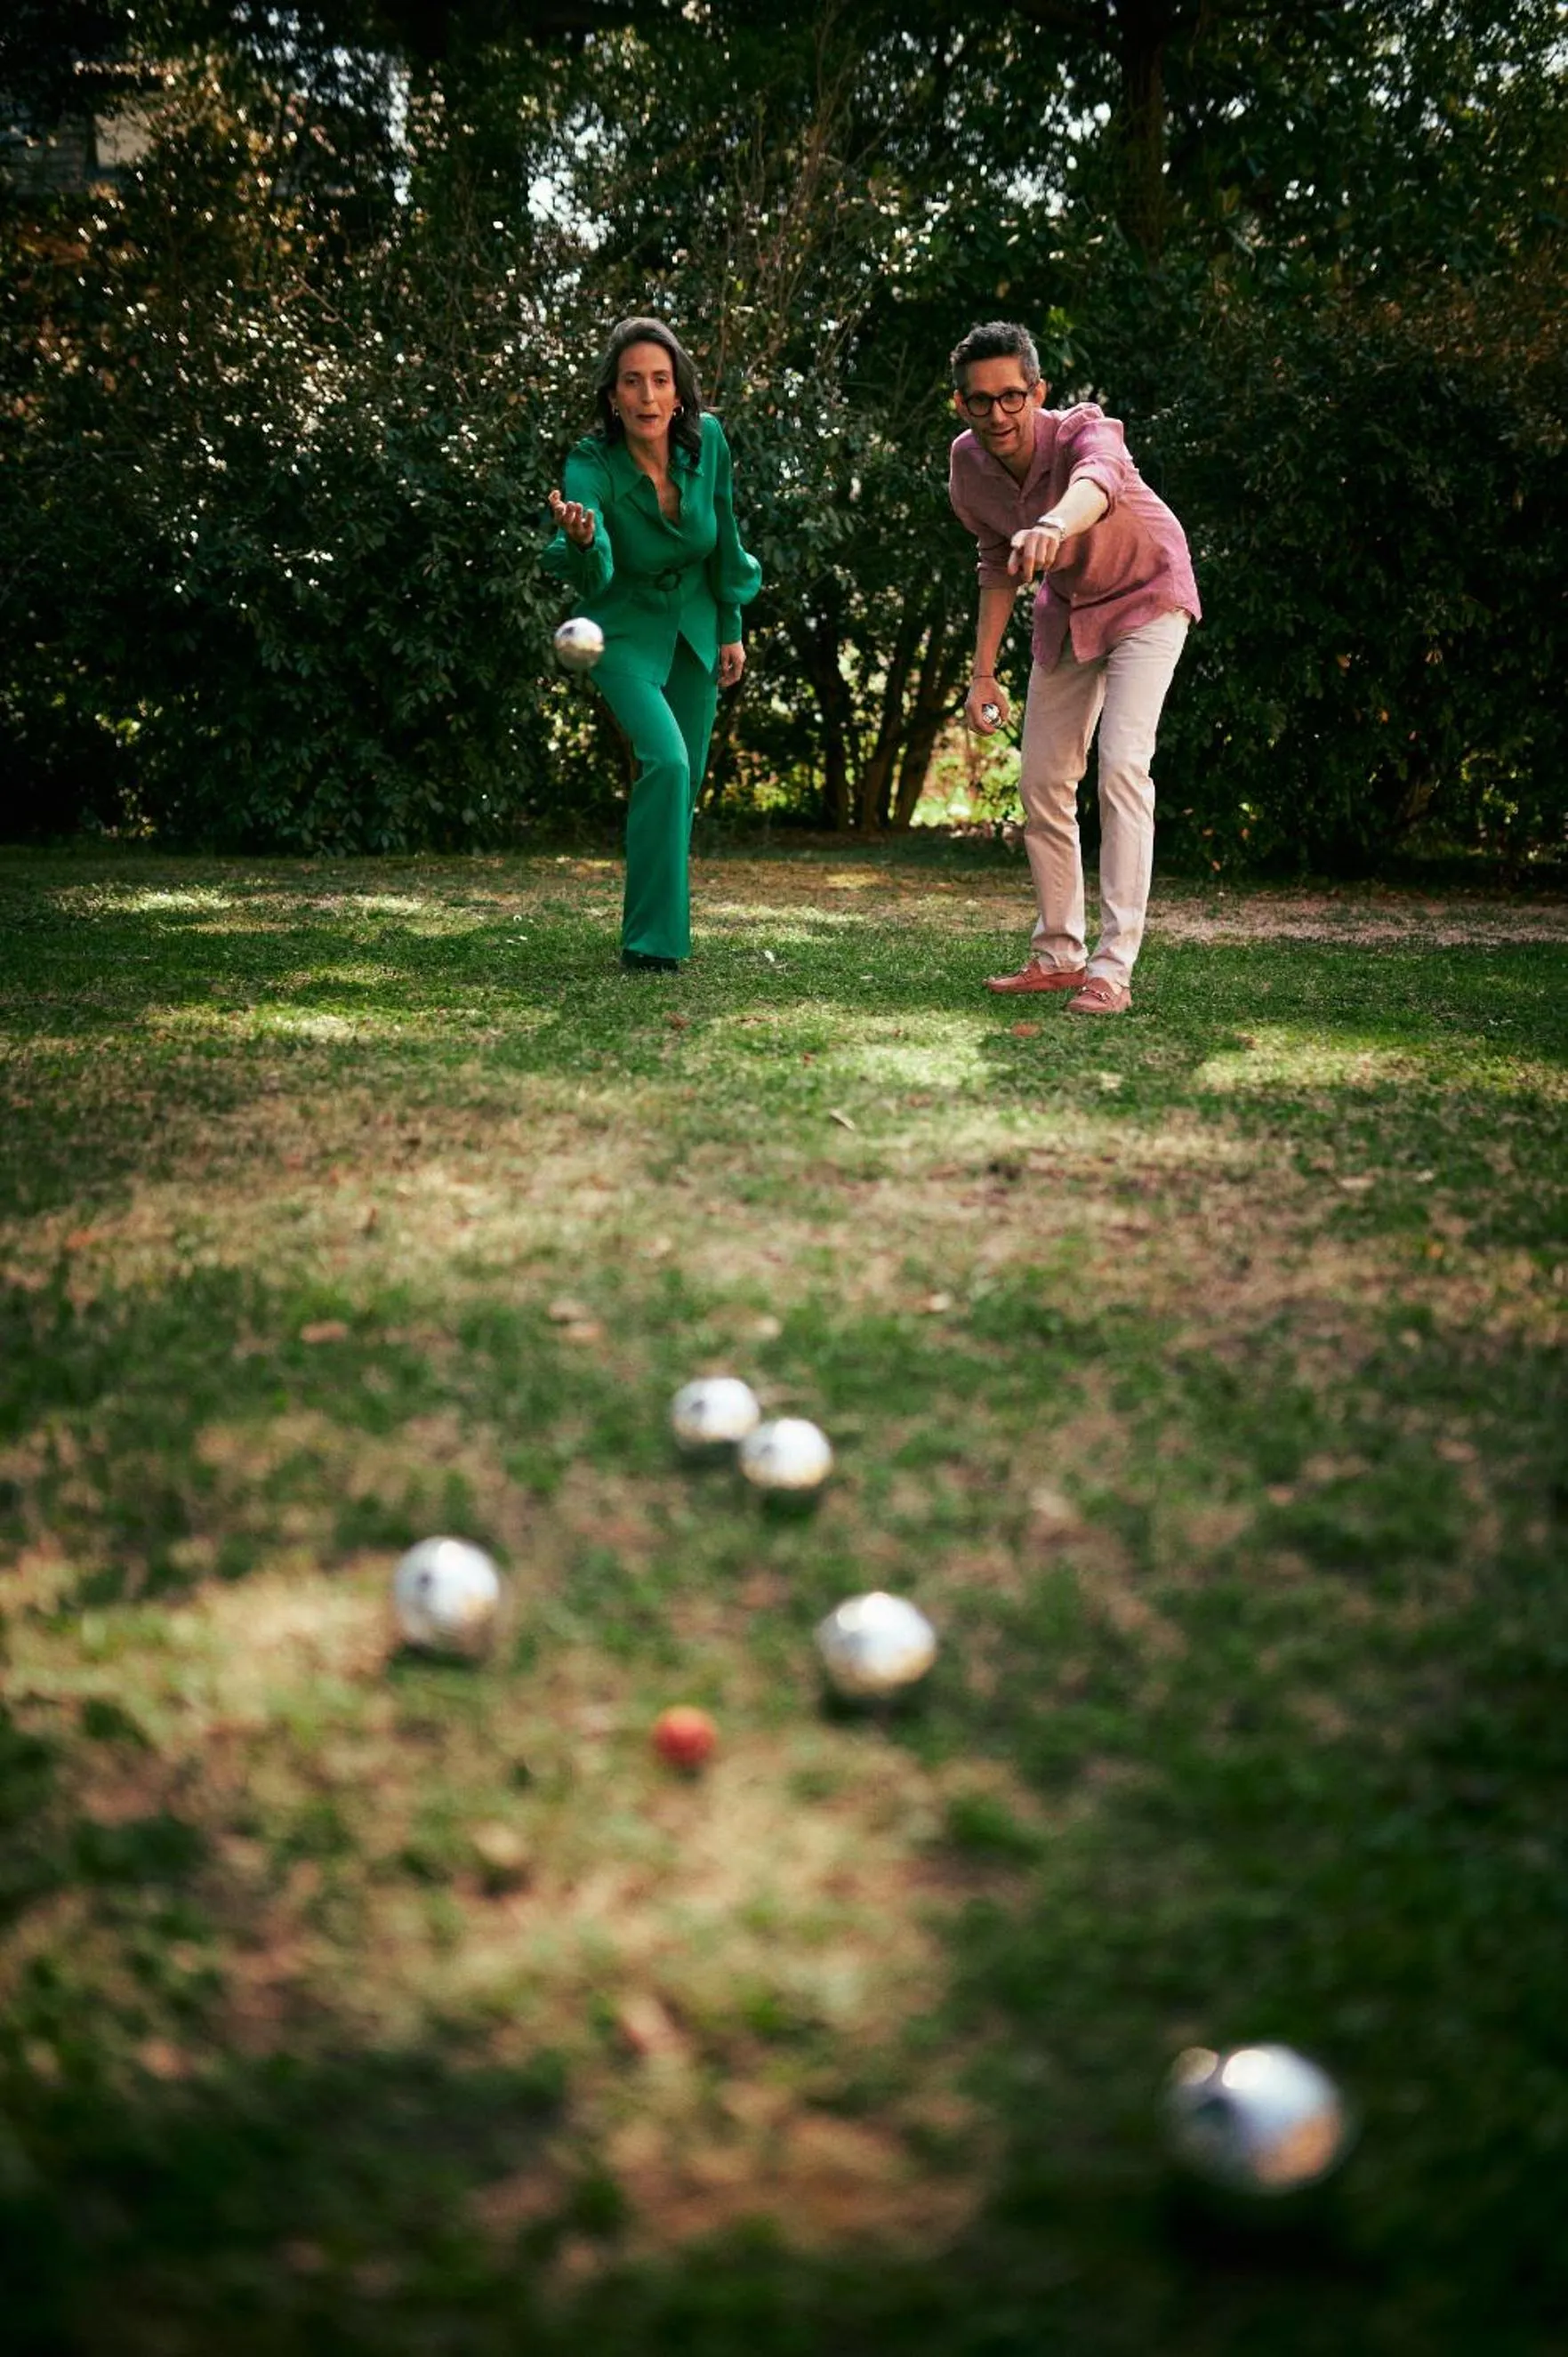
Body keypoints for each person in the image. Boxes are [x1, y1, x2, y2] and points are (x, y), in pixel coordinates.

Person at [947, 321, 1200, 1014]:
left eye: (1011, 396)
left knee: (1121, 765)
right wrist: (982, 673)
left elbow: (1098, 482)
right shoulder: (967, 464)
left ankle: (1111, 970)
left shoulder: (1085, 430)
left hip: (1148, 594)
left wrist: (1054, 525)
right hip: (1070, 610)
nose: (997, 414)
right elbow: (995, 562)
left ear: (1037, 392)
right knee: (1042, 779)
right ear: (961, 405)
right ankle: (1059, 953)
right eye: (979, 400)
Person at [543, 317, 761, 973]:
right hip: (622, 630)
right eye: (632, 382)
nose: (647, 396)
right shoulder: (590, 463)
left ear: (678, 391)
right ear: (612, 395)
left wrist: (730, 625)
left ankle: (655, 926)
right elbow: (595, 565)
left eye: (660, 381)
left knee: (681, 784)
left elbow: (722, 533)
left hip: (696, 625)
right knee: (665, 761)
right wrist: (584, 540)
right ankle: (651, 945)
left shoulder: (708, 441)